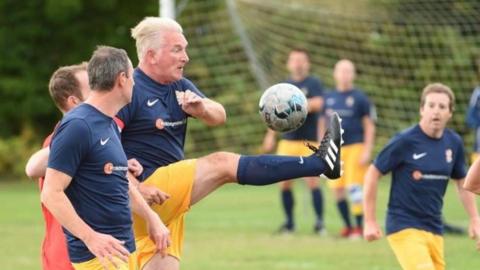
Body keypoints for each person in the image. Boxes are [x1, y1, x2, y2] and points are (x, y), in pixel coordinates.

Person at [117, 17, 343, 270]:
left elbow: (220, 115)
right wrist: (138, 188)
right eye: (177, 49)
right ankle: (320, 163)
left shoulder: (178, 86)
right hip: (143, 190)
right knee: (222, 164)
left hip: (166, 201)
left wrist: (201, 108)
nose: (186, 57)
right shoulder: (129, 90)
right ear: (151, 55)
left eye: (185, 48)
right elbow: (102, 152)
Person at [41, 46, 170, 270]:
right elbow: (51, 193)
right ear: (121, 79)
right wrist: (91, 238)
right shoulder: (78, 125)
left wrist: (152, 218)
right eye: (132, 77)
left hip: (121, 251)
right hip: (98, 258)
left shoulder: (109, 122)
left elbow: (121, 182)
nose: (135, 83)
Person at [363, 83, 480, 270]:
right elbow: (372, 173)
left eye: (442, 107)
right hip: (403, 224)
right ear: (421, 109)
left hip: (434, 227)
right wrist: (369, 220)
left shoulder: (454, 143)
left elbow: (462, 182)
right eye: (431, 105)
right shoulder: (405, 141)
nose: (436, 111)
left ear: (450, 113)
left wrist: (475, 218)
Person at [25, 63, 90, 270]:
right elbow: (34, 166)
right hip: (67, 258)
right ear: (74, 101)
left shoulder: (102, 134)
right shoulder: (61, 140)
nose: (103, 91)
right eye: (94, 88)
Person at [262, 48, 325, 234]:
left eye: (301, 60)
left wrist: (294, 103)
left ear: (307, 63)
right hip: (288, 141)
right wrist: (270, 135)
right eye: (294, 60)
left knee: (312, 181)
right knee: (284, 182)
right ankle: (289, 223)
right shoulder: (284, 86)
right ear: (289, 63)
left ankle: (320, 223)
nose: (298, 63)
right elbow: (273, 111)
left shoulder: (313, 83)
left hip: (309, 141)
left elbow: (320, 103)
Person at [322, 59, 375, 238]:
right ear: (335, 74)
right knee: (336, 188)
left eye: (348, 71)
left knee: (355, 188)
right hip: (335, 149)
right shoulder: (328, 97)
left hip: (355, 147)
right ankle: (347, 226)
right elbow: (323, 123)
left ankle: (359, 227)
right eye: (341, 71)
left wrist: (367, 149)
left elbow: (369, 125)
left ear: (353, 75)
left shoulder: (360, 98)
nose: (344, 75)